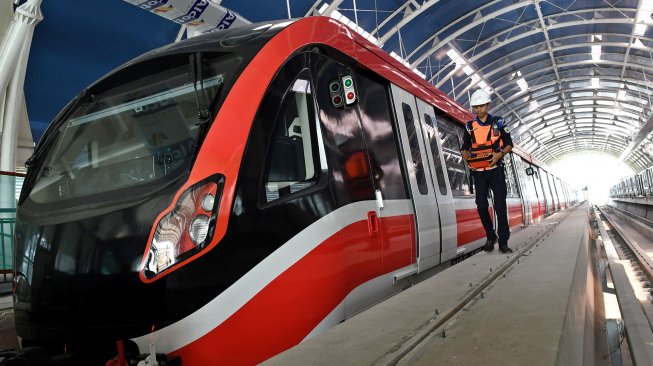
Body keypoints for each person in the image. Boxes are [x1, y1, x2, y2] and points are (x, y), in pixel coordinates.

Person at [461, 89, 514, 253]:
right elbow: (465, 147)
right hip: (478, 173)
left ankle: (503, 241)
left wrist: (500, 154)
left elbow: (509, 144)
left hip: (495, 171)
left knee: (500, 206)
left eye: (481, 106)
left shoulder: (498, 122)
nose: (478, 110)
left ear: (488, 105)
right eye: (475, 107)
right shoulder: (470, 126)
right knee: (481, 206)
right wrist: (466, 158)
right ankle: (491, 236)